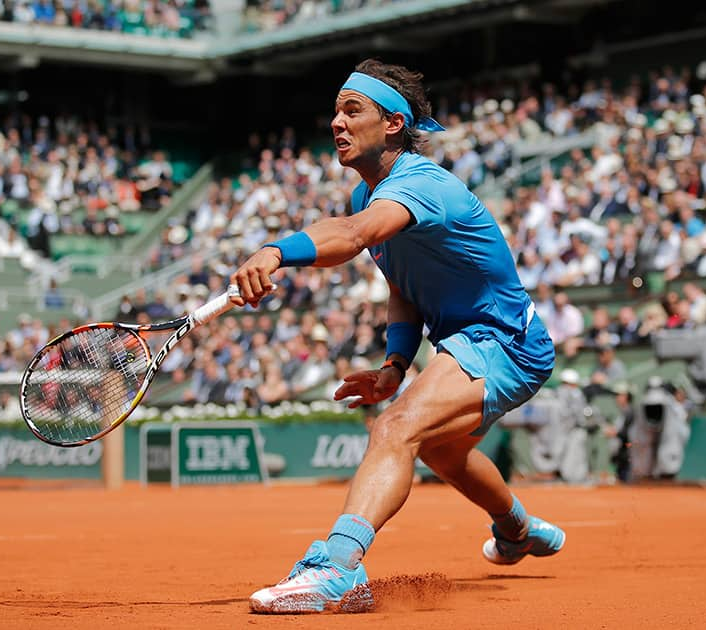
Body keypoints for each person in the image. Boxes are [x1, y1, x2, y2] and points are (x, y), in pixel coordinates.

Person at [229, 59, 561, 614]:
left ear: (393, 124)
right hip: (464, 341)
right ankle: (518, 531)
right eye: (335, 110)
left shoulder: (423, 185)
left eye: (351, 109)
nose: (336, 121)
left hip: (505, 340)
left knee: (397, 429)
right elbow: (401, 285)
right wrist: (395, 365)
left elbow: (354, 237)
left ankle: (333, 568)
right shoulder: (369, 194)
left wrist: (276, 251)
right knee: (443, 452)